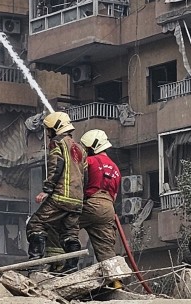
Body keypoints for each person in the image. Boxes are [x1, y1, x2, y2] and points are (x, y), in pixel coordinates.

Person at [26, 111, 87, 268]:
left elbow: (56, 166)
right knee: (70, 233)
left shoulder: (57, 143)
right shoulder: (80, 148)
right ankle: (71, 268)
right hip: (77, 200)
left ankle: (36, 261)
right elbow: (83, 174)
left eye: (48, 130)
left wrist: (47, 189)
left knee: (35, 223)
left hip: (61, 196)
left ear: (55, 128)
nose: (47, 134)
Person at [79, 129, 121, 265]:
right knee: (107, 252)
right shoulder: (116, 168)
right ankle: (116, 283)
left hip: (91, 203)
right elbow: (114, 195)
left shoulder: (89, 161)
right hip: (109, 209)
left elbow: (77, 182)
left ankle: (62, 270)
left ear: (93, 147)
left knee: (64, 228)